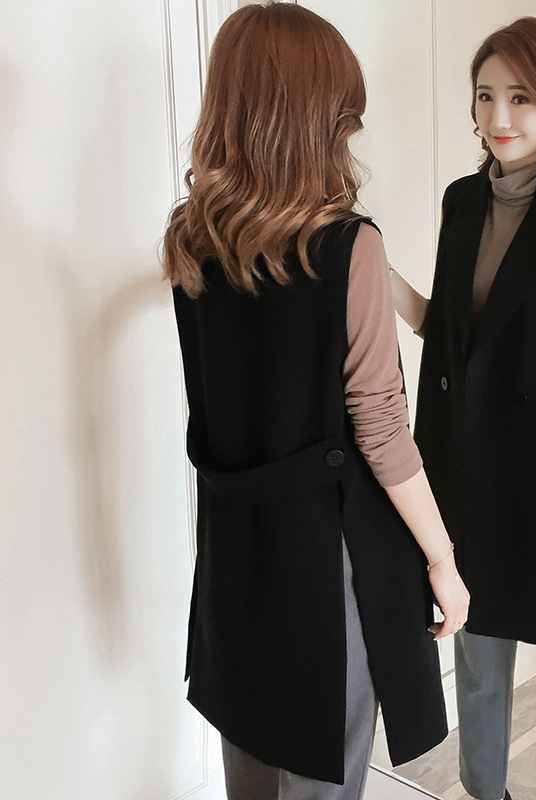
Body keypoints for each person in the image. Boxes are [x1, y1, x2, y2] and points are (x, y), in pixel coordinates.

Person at [161, 4, 469, 799]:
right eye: (343, 114)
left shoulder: (194, 234)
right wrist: (442, 560)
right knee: (320, 774)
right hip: (325, 564)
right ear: (311, 119)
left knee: (251, 759)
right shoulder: (347, 245)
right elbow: (382, 429)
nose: (352, 130)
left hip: (233, 549)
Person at [391, 17, 536, 800]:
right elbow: (453, 335)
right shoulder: (463, 202)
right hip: (467, 468)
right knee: (479, 672)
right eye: (486, 95)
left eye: (521, 97)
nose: (498, 116)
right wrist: (379, 278)